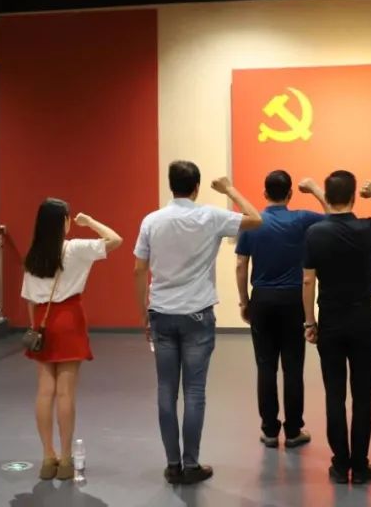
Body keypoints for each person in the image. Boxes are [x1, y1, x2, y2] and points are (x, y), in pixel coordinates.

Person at [133, 160, 263, 485]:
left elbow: (139, 269)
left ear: (171, 185)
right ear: (196, 187)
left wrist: (143, 312)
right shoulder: (211, 216)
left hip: (161, 313)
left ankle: (172, 464)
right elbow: (256, 219)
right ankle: (191, 464)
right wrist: (229, 189)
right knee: (194, 390)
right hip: (197, 314)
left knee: (165, 389)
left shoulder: (151, 221)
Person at [302, 172, 371, 484]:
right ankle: (360, 466)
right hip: (363, 318)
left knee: (334, 395)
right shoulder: (368, 228)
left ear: (327, 197)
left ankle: (340, 465)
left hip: (330, 320)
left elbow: (307, 280)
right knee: (362, 396)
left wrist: (309, 322)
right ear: (353, 197)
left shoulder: (314, 233)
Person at [21, 199, 122, 481]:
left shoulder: (33, 255)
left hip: (41, 322)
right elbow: (115, 240)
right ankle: (66, 459)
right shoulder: (75, 249)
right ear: (64, 221)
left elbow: (29, 299)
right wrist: (89, 222)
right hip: (69, 319)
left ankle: (47, 457)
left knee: (45, 391)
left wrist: (36, 328)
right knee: (66, 392)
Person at [235, 170, 327, 449]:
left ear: (265, 193)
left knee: (265, 366)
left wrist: (244, 302)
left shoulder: (252, 222)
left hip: (262, 300)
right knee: (293, 368)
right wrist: (315, 189)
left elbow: (241, 265)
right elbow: (335, 216)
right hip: (293, 300)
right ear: (290, 194)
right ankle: (294, 430)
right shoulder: (302, 219)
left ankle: (270, 432)